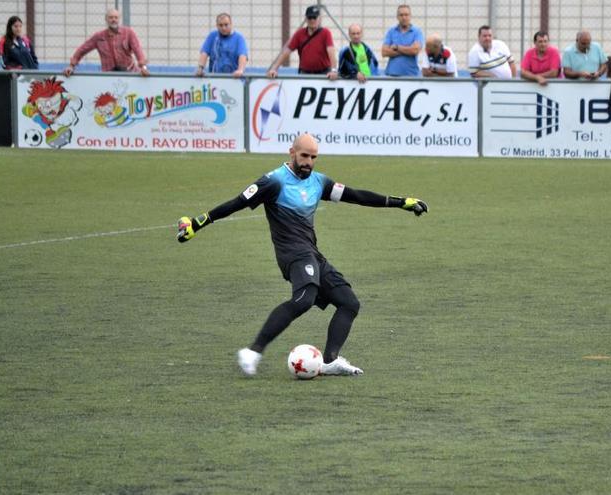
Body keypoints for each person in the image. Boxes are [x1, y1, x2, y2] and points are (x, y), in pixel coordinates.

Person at [176, 133, 428, 377]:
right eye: (304, 155)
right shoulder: (272, 181)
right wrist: (196, 224)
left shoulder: (318, 182)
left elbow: (356, 196)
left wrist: (401, 202)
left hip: (312, 254)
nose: (308, 162)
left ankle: (329, 361)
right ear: (292, 153)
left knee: (349, 302)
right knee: (304, 300)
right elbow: (235, 204)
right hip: (292, 255)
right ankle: (252, 352)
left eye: (313, 157)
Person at [63, 9, 149, 76]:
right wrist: (71, 66)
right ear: (106, 19)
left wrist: (143, 68)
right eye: (111, 17)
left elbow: (137, 49)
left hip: (129, 73)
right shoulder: (98, 36)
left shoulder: (128, 33)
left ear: (119, 19)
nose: (113, 20)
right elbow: (82, 49)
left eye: (116, 17)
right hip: (108, 75)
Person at [267, 5, 338, 80]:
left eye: (314, 17)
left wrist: (334, 70)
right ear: (306, 19)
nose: (312, 20)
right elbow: (286, 52)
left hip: (324, 73)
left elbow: (331, 52)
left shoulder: (325, 33)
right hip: (305, 73)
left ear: (319, 19)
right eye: (310, 17)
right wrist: (274, 69)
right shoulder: (299, 34)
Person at [195, 13, 248, 78]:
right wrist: (200, 68)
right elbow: (204, 53)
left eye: (226, 25)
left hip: (234, 79)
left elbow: (242, 55)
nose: (223, 28)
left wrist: (240, 70)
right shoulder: (212, 36)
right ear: (217, 26)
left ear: (231, 24)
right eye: (221, 25)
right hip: (215, 79)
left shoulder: (239, 38)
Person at [381, 5, 424, 77]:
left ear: (410, 16)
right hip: (391, 75)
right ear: (397, 17)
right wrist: (408, 50)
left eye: (406, 15)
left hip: (411, 75)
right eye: (401, 15)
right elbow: (384, 52)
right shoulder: (391, 31)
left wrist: (397, 47)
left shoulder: (417, 31)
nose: (404, 17)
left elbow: (415, 50)